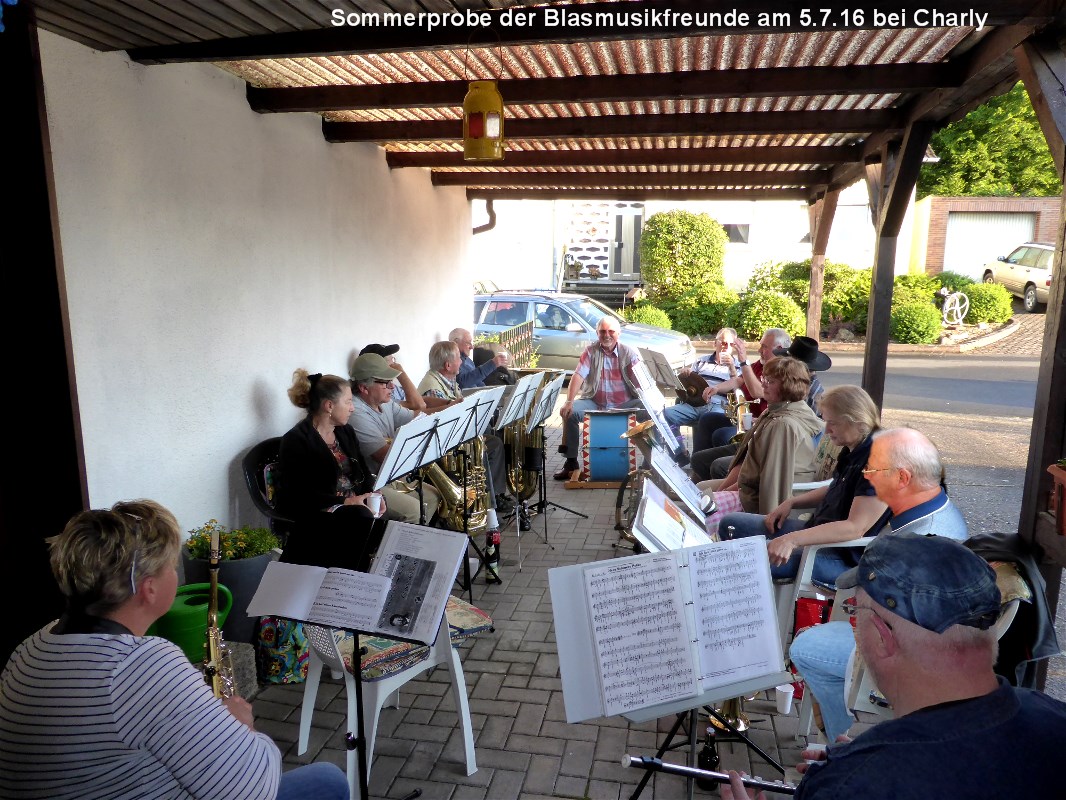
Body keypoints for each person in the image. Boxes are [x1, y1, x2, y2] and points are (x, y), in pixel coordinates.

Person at [0, 500, 349, 800]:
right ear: (149, 589)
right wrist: (241, 723)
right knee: (328, 780)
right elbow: (252, 787)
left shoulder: (32, 646)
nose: (177, 574)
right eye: (171, 565)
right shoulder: (142, 665)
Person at [722, 533, 1066, 800]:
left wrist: (859, 770)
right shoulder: (1055, 718)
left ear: (883, 636)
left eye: (855, 613)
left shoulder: (853, 786)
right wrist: (865, 759)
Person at [787, 426, 969, 741]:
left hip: (914, 653)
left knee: (807, 648)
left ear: (903, 478)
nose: (867, 477)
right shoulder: (925, 506)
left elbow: (897, 611)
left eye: (874, 469)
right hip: (906, 633)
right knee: (817, 637)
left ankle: (842, 747)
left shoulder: (926, 535)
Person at [718, 385, 887, 583]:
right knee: (730, 524)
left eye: (833, 423)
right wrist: (791, 502)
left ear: (857, 420)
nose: (827, 430)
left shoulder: (880, 462)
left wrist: (792, 540)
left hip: (840, 556)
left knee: (740, 561)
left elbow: (854, 528)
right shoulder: (855, 447)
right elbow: (837, 488)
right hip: (817, 533)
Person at [698, 357, 823, 537]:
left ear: (789, 386)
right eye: (764, 378)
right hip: (751, 487)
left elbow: (772, 480)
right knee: (700, 491)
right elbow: (750, 465)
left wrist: (765, 526)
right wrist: (726, 489)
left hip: (758, 498)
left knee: (700, 507)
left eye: (770, 381)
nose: (763, 384)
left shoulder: (783, 424)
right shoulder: (776, 410)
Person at [277, 370, 386, 571]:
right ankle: (346, 581)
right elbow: (299, 495)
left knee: (386, 526)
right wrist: (345, 501)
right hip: (319, 510)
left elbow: (361, 470)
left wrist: (373, 493)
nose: (353, 408)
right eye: (348, 402)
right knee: (361, 519)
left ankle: (369, 583)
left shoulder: (345, 431)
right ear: (329, 406)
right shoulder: (297, 440)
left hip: (352, 505)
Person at [417, 340, 512, 513]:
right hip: (445, 444)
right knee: (482, 446)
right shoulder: (432, 387)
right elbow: (442, 423)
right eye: (458, 359)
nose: (462, 362)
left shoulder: (447, 379)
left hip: (457, 435)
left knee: (493, 442)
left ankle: (494, 495)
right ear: (447, 365)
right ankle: (487, 501)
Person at [349, 352, 439, 524]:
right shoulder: (357, 413)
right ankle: (393, 548)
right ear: (364, 387)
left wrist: (449, 412)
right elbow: (384, 456)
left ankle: (416, 545)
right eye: (384, 382)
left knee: (433, 497)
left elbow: (416, 415)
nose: (392, 386)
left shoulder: (385, 402)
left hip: (391, 477)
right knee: (414, 510)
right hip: (373, 482)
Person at [687, 328, 790, 476]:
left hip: (759, 425)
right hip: (746, 419)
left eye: (764, 347)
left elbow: (757, 392)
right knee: (707, 420)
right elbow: (739, 380)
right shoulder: (760, 364)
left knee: (721, 435)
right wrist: (716, 388)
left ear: (779, 349)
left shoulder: (783, 369)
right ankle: (699, 473)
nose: (760, 350)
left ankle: (722, 475)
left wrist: (743, 361)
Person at [555, 315, 646, 480]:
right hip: (595, 403)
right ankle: (571, 462)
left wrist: (648, 395)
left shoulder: (629, 352)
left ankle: (650, 464)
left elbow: (641, 381)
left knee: (654, 413)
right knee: (569, 412)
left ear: (618, 333)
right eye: (602, 331)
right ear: (597, 333)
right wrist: (568, 401)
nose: (607, 335)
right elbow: (578, 375)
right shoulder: (591, 351)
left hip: (625, 404)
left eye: (611, 331)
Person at [662, 327, 741, 455]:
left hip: (718, 404)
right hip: (695, 403)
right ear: (715, 343)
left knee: (711, 420)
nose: (726, 346)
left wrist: (732, 368)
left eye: (730, 344)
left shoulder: (738, 366)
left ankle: (701, 460)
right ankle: (679, 452)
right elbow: (687, 384)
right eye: (723, 342)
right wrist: (685, 374)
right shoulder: (701, 361)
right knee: (664, 416)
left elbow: (738, 392)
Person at [358, 342, 426, 412]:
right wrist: (401, 373)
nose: (396, 365)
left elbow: (420, 399)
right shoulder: (379, 392)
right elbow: (419, 405)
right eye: (390, 362)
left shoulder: (393, 387)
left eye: (393, 360)